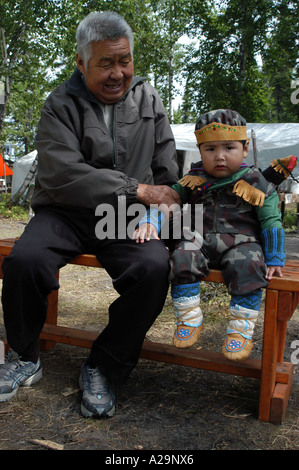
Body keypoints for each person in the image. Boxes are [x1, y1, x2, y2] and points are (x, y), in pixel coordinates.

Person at [0, 11, 180, 418]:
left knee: (153, 268)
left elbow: (169, 173)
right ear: (80, 63)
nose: (118, 73)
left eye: (125, 60)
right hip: (64, 212)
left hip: (123, 218)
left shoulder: (148, 98)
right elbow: (62, 172)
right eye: (105, 63)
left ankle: (103, 365)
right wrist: (137, 188)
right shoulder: (59, 103)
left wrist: (171, 209)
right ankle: (24, 356)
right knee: (26, 261)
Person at [134, 109, 287, 361]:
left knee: (248, 264)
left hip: (241, 244)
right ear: (200, 150)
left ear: (245, 149)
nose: (220, 157)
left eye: (229, 147)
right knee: (181, 255)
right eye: (210, 149)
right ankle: (189, 319)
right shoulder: (193, 179)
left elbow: (271, 221)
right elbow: (168, 200)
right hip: (198, 240)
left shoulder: (257, 183)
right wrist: (150, 222)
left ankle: (240, 330)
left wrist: (275, 258)